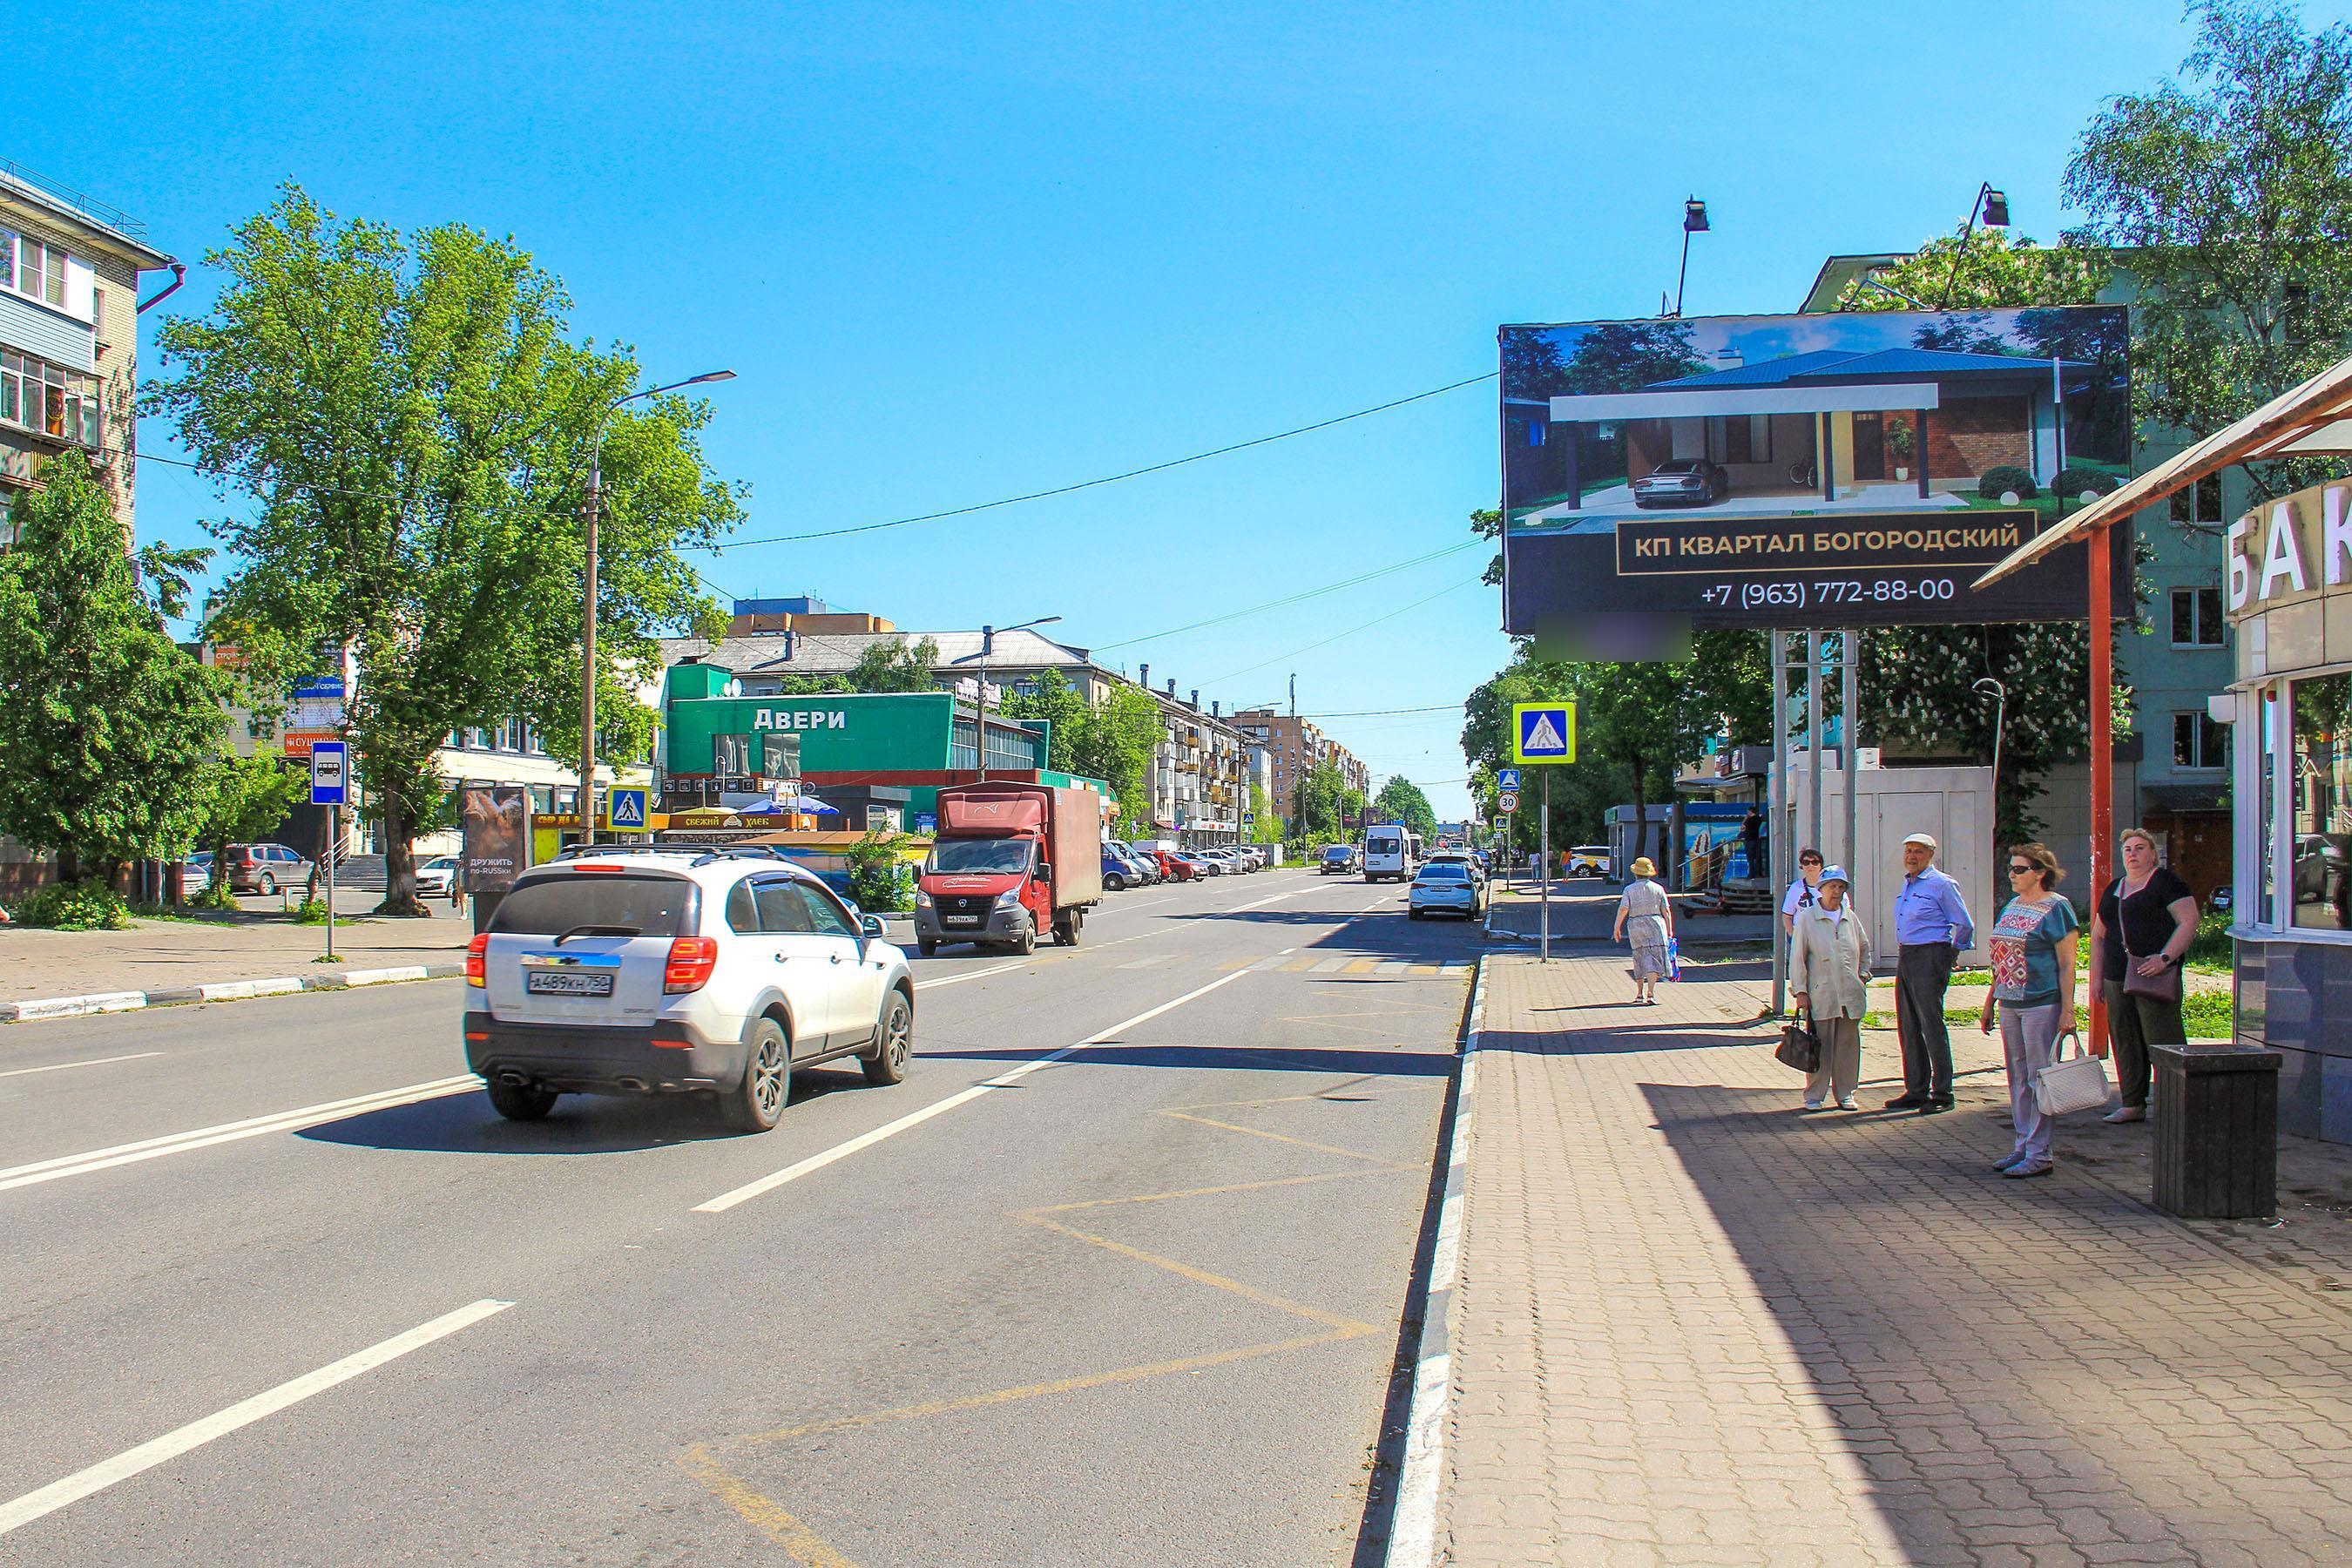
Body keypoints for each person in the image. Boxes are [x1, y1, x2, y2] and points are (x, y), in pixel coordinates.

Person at [1979, 841, 2080, 1178]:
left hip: (2042, 1002)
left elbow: (2067, 964)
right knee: (2018, 1077)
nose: (2012, 874)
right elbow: (2001, 959)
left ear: (2040, 874)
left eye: (2019, 869)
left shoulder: (2057, 908)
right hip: (2009, 1002)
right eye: (2011, 868)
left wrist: (2068, 1010)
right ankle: (2022, 1144)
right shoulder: (2012, 905)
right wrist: (1990, 1000)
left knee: (2040, 1078)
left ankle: (2040, 1153)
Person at [2089, 828, 2197, 1124]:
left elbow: (2189, 921)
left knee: (2163, 1040)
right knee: (2125, 1039)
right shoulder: (2114, 888)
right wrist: (2096, 979)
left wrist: (2165, 958)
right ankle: (2132, 1103)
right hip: (2116, 975)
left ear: (2153, 854)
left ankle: (2179, 1104)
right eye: (2128, 850)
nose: (2133, 854)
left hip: (2153, 974)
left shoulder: (2166, 883)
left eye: (2139, 848)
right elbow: (2098, 936)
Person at [1889, 831, 1975, 1115]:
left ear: (1931, 855)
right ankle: (1916, 1089)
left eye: (1919, 852)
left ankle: (1942, 1093)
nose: (1912, 857)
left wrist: (1951, 953)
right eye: (1908, 851)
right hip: (1908, 955)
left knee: (1931, 1024)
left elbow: (1964, 924)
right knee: (1909, 1024)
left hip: (1930, 954)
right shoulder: (1908, 884)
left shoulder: (1942, 884)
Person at [1789, 865, 1871, 1112]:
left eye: (1840, 887)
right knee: (1820, 1046)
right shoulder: (1807, 918)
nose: (1836, 892)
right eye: (1831, 887)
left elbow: (1864, 949)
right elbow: (1798, 958)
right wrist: (1801, 991)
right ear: (1820, 889)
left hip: (1850, 994)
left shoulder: (1850, 917)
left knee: (1848, 1046)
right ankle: (1815, 1094)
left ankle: (1845, 1093)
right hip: (1821, 993)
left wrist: (1863, 976)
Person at [1612, 855, 1674, 1004]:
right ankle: (1651, 993)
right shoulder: (1658, 888)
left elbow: (1624, 909)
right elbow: (1666, 910)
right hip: (1656, 924)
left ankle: (1639, 993)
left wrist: (1617, 927)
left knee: (1639, 957)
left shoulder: (1629, 889)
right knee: (1653, 958)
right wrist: (1669, 929)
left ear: (1635, 873)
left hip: (1636, 924)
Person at [1781, 848, 1826, 934]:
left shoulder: (1830, 886)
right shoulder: (1795, 888)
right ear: (1802, 866)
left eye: (1815, 862)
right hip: (1802, 935)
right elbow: (1787, 916)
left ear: (1821, 866)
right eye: (1806, 863)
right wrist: (1794, 937)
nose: (1810, 866)